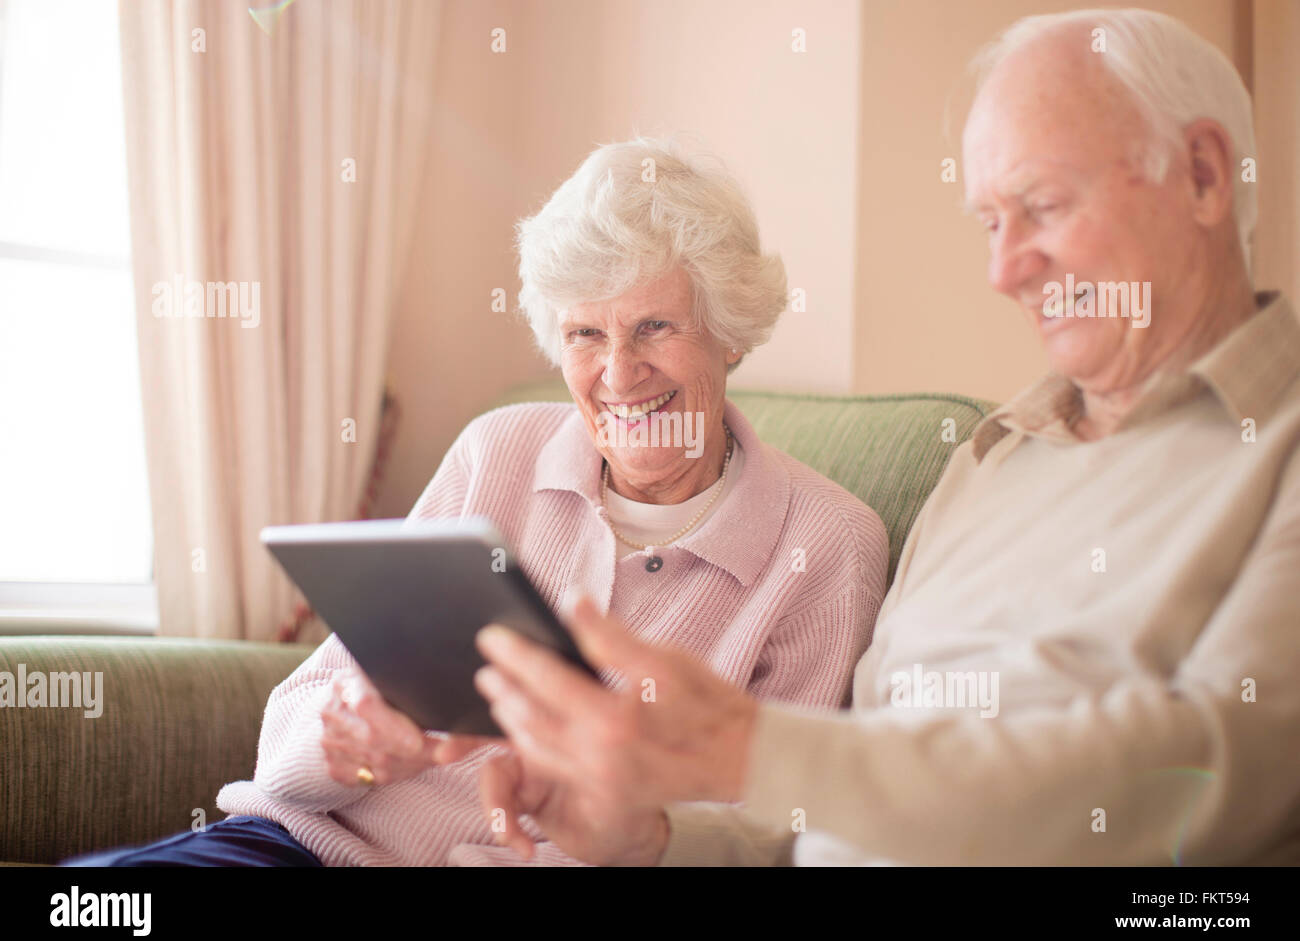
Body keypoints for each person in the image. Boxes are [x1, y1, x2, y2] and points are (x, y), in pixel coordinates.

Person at [453, 9, 1300, 866]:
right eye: (990, 223)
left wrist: (754, 749)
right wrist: (651, 839)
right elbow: (825, 803)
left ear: (1200, 176)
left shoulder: (1280, 451)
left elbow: (1220, 767)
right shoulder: (991, 461)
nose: (1003, 273)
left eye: (1041, 206)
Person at [64, 137, 888, 866]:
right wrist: (352, 744)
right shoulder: (499, 451)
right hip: (299, 847)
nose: (619, 374)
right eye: (585, 335)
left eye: (655, 328)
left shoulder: (823, 543)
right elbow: (294, 729)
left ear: (732, 330)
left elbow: (772, 829)